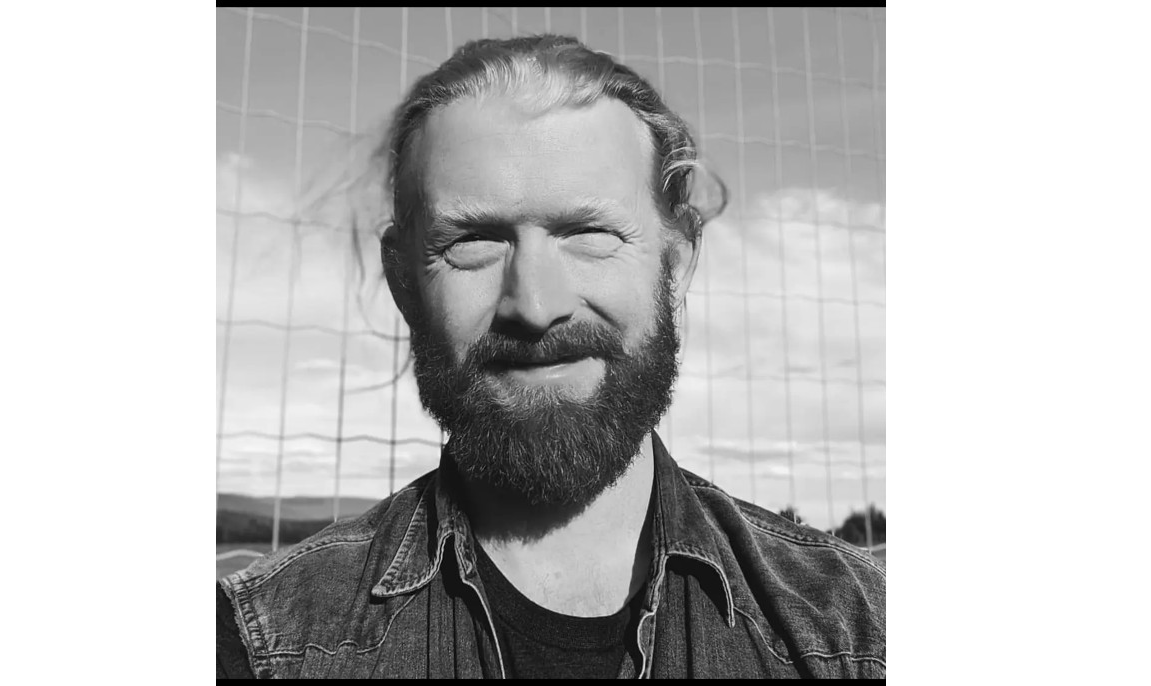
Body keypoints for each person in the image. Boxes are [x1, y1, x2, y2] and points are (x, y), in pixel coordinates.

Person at [217, 34, 885, 679]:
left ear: (675, 264)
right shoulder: (260, 647)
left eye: (588, 233)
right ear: (403, 280)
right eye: (474, 241)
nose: (534, 305)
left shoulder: (861, 630)